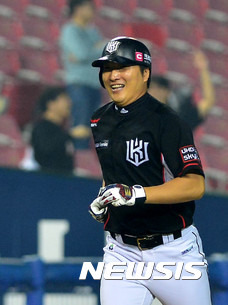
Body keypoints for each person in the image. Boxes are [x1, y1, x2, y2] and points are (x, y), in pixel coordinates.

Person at [88, 36, 211, 305]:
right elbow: (116, 175)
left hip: (174, 252)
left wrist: (135, 194)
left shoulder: (167, 122)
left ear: (145, 73)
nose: (113, 76)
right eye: (107, 69)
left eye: (122, 67)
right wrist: (106, 199)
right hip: (121, 252)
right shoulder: (100, 120)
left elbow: (194, 185)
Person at [60, 0, 105, 150]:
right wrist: (97, 49)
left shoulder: (93, 31)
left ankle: (84, 157)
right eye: (89, 8)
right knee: (80, 124)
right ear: (78, 9)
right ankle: (78, 157)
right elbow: (81, 53)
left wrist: (91, 52)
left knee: (90, 126)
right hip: (79, 84)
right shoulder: (70, 30)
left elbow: (104, 54)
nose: (92, 11)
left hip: (95, 84)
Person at [148, 50, 215, 131]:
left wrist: (203, 69)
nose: (152, 93)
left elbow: (208, 101)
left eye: (156, 89)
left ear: (166, 92)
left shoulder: (181, 114)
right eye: (150, 89)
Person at [30, 86, 74, 175]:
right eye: (64, 99)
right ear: (51, 104)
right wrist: (70, 135)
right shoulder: (40, 129)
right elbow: (45, 151)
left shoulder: (61, 131)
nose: (69, 103)